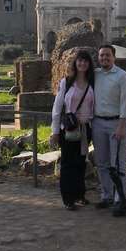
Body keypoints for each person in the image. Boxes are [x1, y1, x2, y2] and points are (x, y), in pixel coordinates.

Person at [92, 45, 126, 217]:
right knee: (102, 163)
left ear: (114, 57)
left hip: (117, 123)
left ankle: (120, 198)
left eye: (107, 55)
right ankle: (107, 195)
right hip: (98, 122)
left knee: (118, 164)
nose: (104, 59)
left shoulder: (123, 76)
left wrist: (122, 127)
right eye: (102, 56)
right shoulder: (95, 74)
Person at [50, 50, 95, 210]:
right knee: (68, 163)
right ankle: (68, 199)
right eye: (79, 61)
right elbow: (57, 108)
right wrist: (55, 132)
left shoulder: (92, 83)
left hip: (85, 129)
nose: (82, 63)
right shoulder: (66, 82)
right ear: (75, 63)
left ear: (89, 64)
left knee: (81, 163)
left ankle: (80, 194)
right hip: (68, 128)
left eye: (85, 61)